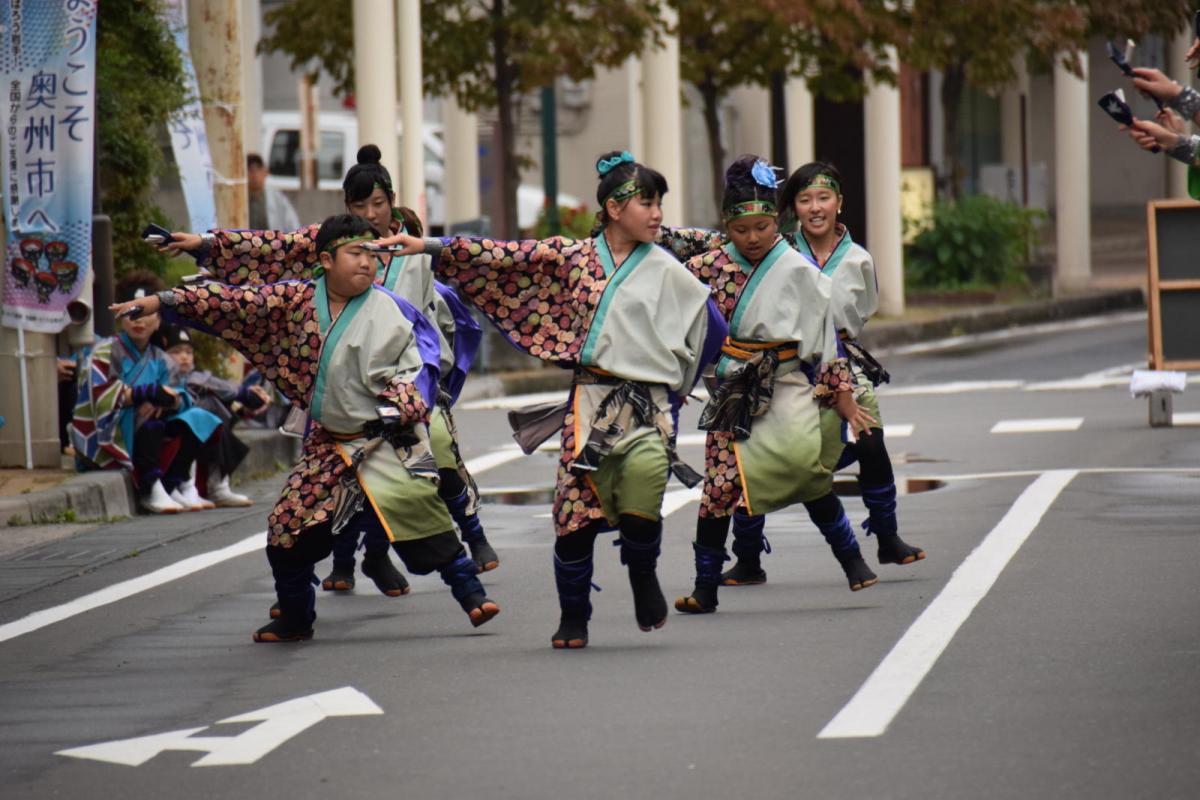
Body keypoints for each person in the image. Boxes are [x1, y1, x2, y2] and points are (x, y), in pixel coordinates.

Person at [376, 150, 726, 649]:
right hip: (590, 402)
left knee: (645, 491)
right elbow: (502, 257)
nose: (656, 213)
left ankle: (642, 573)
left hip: (647, 407)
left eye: (659, 203)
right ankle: (574, 616)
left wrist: (679, 383)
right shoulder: (573, 257)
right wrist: (429, 245)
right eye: (646, 202)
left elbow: (710, 326)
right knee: (574, 519)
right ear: (611, 208)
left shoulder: (669, 269)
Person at [111, 214, 501, 642]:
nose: (367, 263)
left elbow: (417, 370)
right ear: (325, 260)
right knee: (286, 529)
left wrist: (399, 405)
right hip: (330, 442)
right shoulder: (295, 301)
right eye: (356, 253)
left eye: (373, 254)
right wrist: (163, 303)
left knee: (423, 513)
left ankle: (472, 594)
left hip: (388, 437)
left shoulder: (391, 310)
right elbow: (236, 303)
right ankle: (296, 616)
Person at [158, 145, 496, 603]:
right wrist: (202, 249)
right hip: (342, 395)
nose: (371, 215)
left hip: (406, 381)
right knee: (309, 506)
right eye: (359, 207)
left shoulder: (414, 245)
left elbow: (480, 261)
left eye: (378, 204)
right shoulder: (328, 249)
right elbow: (269, 253)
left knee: (431, 462)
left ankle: (468, 545)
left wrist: (414, 386)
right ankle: (332, 575)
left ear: (392, 200)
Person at [670, 155, 879, 616]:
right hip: (733, 392)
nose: (752, 238)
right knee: (719, 490)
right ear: (726, 225)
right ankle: (706, 587)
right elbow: (683, 323)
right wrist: (678, 379)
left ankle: (854, 562)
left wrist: (843, 397)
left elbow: (826, 341)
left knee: (808, 476)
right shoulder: (706, 268)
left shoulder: (800, 270)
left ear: (776, 221)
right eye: (741, 230)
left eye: (762, 227)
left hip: (786, 385)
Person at [715, 161, 926, 586]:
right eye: (805, 199)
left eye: (823, 198)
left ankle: (887, 537)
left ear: (839, 204)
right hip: (783, 367)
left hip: (839, 361)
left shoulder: (858, 259)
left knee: (871, 439)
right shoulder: (777, 252)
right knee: (755, 458)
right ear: (791, 207)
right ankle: (748, 557)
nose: (815, 208)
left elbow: (862, 310)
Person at [71, 270, 222, 514]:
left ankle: (172, 483)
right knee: (148, 418)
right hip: (112, 436)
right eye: (131, 314)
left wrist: (167, 400)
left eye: (144, 313)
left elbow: (180, 396)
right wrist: (145, 393)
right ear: (121, 316)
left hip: (148, 431)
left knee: (198, 418)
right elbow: (101, 399)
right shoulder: (104, 352)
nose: (137, 320)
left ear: (158, 320)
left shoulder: (162, 360)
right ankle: (150, 486)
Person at [158, 324, 271, 507]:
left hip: (191, 431)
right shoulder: (163, 374)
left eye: (188, 351)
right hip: (167, 430)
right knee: (208, 406)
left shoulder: (195, 375)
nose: (184, 356)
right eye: (177, 351)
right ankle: (195, 485)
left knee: (215, 407)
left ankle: (216, 484)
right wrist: (245, 394)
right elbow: (215, 387)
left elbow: (220, 386)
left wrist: (247, 400)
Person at [246, 152, 301, 231]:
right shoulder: (239, 200)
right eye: (250, 170)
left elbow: (293, 224)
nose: (255, 175)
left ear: (265, 172)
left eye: (258, 169)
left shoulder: (277, 198)